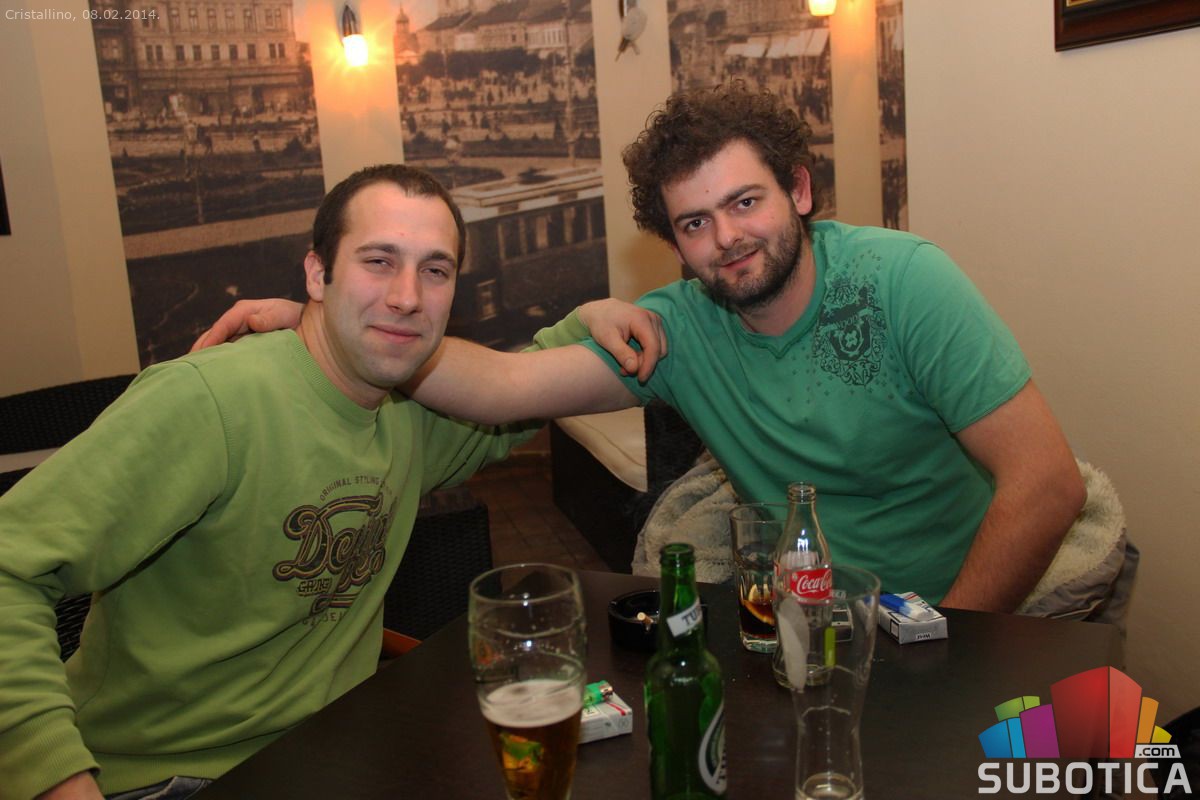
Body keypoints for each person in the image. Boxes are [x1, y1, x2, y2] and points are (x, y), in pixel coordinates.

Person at [198, 83, 1086, 616]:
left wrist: (944, 643)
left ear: (800, 189)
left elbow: (1047, 484)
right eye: (694, 223)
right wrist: (329, 324)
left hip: (960, 605)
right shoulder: (680, 330)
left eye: (746, 203)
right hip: (812, 620)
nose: (726, 239)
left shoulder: (905, 283)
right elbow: (503, 386)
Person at [0, 164, 661, 800]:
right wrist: (56, 776)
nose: (407, 296)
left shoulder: (410, 416)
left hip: (334, 755)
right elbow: (9, 565)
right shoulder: (207, 403)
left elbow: (516, 397)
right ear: (318, 273)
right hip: (167, 776)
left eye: (435, 270)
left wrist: (586, 323)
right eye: (379, 261)